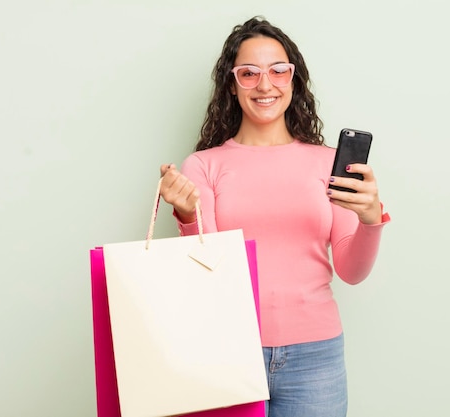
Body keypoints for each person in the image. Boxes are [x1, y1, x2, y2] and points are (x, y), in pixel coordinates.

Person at [159, 16, 390, 417]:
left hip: (315, 358)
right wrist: (185, 214)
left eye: (278, 71)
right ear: (232, 85)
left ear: (293, 80)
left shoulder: (327, 163)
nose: (265, 85)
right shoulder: (203, 166)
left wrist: (370, 220)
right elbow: (208, 269)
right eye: (248, 73)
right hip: (227, 349)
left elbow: (351, 270)